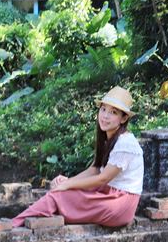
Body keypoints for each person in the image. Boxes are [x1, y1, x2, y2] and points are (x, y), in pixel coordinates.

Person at [11, 86, 143, 228]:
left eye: (113, 112)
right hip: (108, 195)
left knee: (59, 196)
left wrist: (67, 185)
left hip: (120, 205)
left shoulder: (125, 144)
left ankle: (13, 224)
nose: (105, 116)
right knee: (61, 193)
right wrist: (68, 182)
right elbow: (95, 169)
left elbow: (102, 178)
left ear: (123, 118)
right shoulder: (109, 138)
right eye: (103, 109)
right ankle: (18, 222)